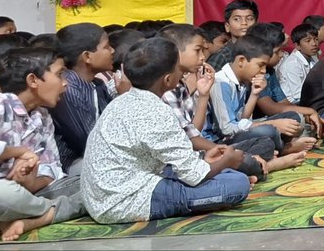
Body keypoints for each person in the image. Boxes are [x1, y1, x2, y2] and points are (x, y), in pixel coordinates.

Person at [81, 38, 252, 224]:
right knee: (237, 184)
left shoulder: (121, 102)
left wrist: (205, 162)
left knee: (224, 173)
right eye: (179, 68)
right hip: (124, 202)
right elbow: (195, 175)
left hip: (106, 195)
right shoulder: (155, 111)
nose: (183, 73)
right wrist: (226, 161)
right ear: (168, 79)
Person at [159, 24, 300, 181]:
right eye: (198, 50)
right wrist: (226, 152)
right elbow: (220, 131)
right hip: (200, 151)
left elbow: (195, 132)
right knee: (265, 138)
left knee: (270, 136)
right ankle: (269, 163)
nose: (203, 57)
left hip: (208, 147)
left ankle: (252, 165)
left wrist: (253, 94)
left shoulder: (184, 84)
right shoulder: (174, 89)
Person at [0, 48, 84, 241]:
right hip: (3, 194)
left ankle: (27, 218)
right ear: (33, 80)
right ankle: (48, 212)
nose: (65, 83)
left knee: (93, 184)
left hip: (29, 194)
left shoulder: (42, 116)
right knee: (1, 194)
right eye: (59, 75)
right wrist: (18, 152)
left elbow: (53, 168)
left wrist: (31, 180)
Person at [206, 35, 309, 156]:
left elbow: (243, 119)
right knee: (268, 131)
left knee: (292, 116)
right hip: (221, 141)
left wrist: (254, 94)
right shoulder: (221, 83)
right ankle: (283, 149)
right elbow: (227, 129)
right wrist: (272, 124)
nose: (263, 71)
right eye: (260, 65)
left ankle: (275, 149)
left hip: (238, 133)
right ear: (241, 61)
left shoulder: (242, 82)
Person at [51, 22, 115, 174]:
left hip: (100, 155)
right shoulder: (69, 89)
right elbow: (89, 142)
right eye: (106, 47)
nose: (113, 51)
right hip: (74, 163)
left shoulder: (97, 84)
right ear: (87, 56)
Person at [206, 0, 259, 72]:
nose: (244, 23)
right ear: (227, 26)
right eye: (237, 19)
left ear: (256, 24)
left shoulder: (260, 52)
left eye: (249, 19)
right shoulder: (222, 56)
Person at [276, 24, 319, 104]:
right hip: (294, 104)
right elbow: (298, 95)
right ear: (297, 46)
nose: (314, 43)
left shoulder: (314, 58)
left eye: (316, 39)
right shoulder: (293, 64)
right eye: (308, 41)